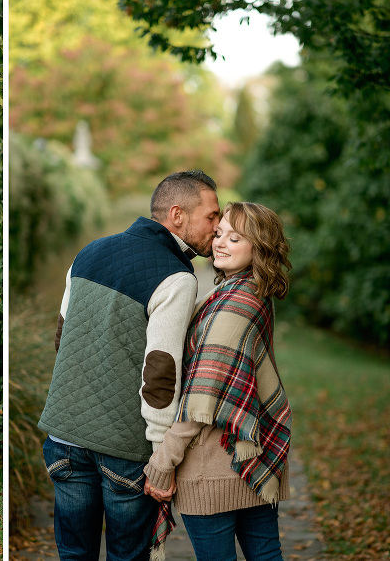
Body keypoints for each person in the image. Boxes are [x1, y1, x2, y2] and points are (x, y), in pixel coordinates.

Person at [38, 170, 221, 560]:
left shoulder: (88, 251)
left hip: (64, 437)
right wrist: (161, 456)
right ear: (177, 215)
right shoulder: (177, 278)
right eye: (211, 216)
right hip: (126, 450)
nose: (218, 227)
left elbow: (63, 337)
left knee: (73, 555)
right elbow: (161, 371)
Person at [144, 202, 293, 561]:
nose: (219, 242)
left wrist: (163, 462)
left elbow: (202, 400)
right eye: (220, 232)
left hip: (212, 466)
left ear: (259, 246)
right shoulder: (251, 293)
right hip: (251, 458)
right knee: (267, 553)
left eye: (235, 237)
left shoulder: (233, 304)